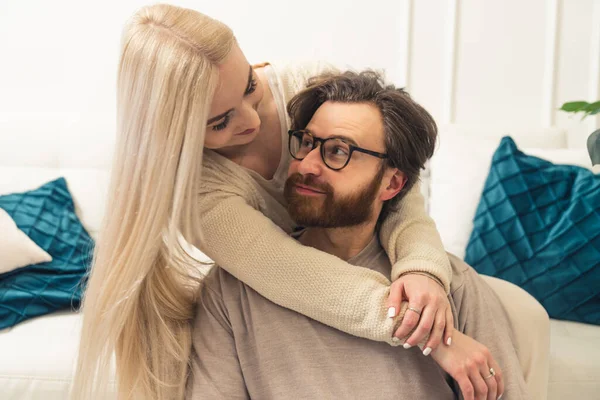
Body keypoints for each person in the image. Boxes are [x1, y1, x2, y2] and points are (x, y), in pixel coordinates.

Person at [72, 4, 548, 400]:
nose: (252, 121)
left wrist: (422, 270)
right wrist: (427, 332)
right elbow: (293, 273)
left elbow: (399, 186)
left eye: (250, 88)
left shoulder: (304, 84)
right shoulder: (210, 227)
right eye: (220, 122)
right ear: (176, 131)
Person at [186, 71, 528, 399]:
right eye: (306, 143)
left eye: (338, 151)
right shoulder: (230, 293)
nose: (307, 165)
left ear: (392, 184)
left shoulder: (453, 289)